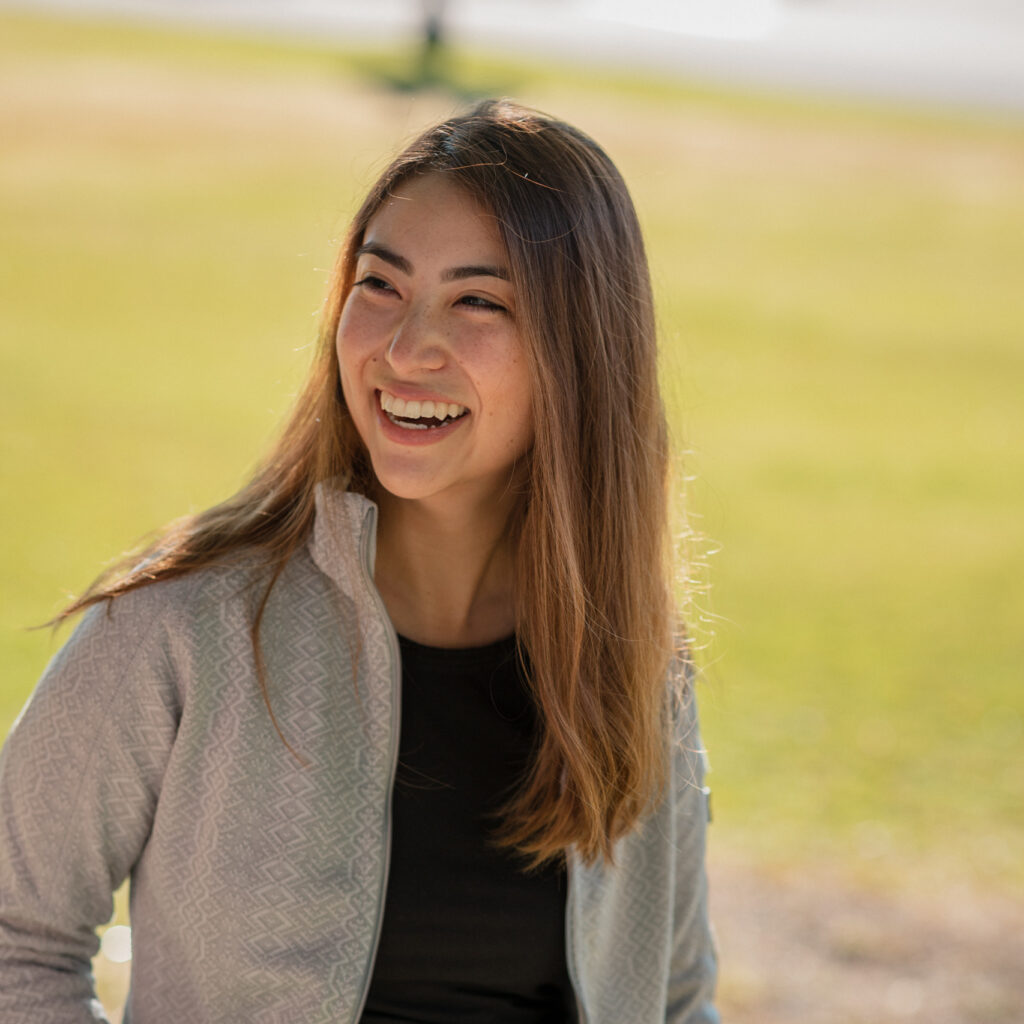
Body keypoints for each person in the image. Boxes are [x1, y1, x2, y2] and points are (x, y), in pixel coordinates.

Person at [0, 99, 717, 1023]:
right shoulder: (179, 624)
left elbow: (678, 995)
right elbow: (15, 936)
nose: (406, 349)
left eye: (477, 302)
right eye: (379, 286)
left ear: (580, 354)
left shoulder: (637, 658)